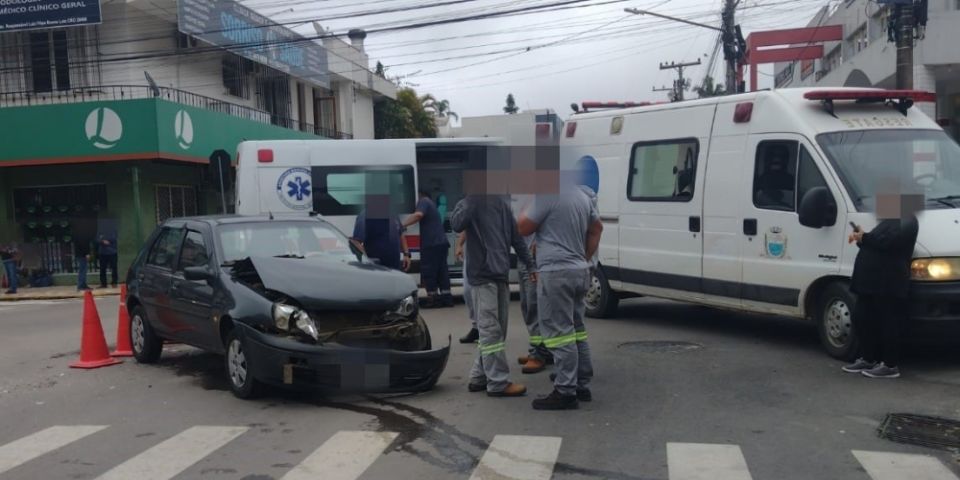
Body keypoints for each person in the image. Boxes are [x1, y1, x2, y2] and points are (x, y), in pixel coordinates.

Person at [518, 179, 603, 410]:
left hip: (556, 272)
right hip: (578, 271)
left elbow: (522, 228)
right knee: (576, 329)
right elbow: (597, 229)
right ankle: (580, 384)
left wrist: (526, 203)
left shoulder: (547, 195)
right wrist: (583, 258)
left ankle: (565, 390)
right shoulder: (581, 195)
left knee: (559, 333)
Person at [451, 194, 536, 398]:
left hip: (500, 275)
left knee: (497, 332)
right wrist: (473, 198)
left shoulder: (502, 205)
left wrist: (530, 264)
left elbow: (516, 238)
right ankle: (497, 382)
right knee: (491, 331)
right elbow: (456, 224)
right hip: (482, 276)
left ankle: (479, 376)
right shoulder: (471, 201)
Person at [842, 189, 921, 379]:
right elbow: (876, 243)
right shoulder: (888, 221)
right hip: (870, 283)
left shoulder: (907, 220)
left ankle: (889, 365)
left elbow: (889, 242)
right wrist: (861, 238)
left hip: (888, 283)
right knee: (862, 318)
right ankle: (868, 358)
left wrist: (865, 237)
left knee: (889, 323)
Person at [404, 189, 452, 308]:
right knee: (442, 271)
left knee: (429, 271)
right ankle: (447, 298)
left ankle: (433, 299)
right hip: (441, 243)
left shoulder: (424, 201)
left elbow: (418, 215)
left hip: (431, 244)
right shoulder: (431, 204)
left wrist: (401, 224)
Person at [455, 232, 479, 344]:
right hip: (471, 253)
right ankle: (476, 327)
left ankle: (485, 329)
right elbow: (466, 225)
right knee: (468, 292)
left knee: (483, 294)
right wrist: (460, 244)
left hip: (488, 253)